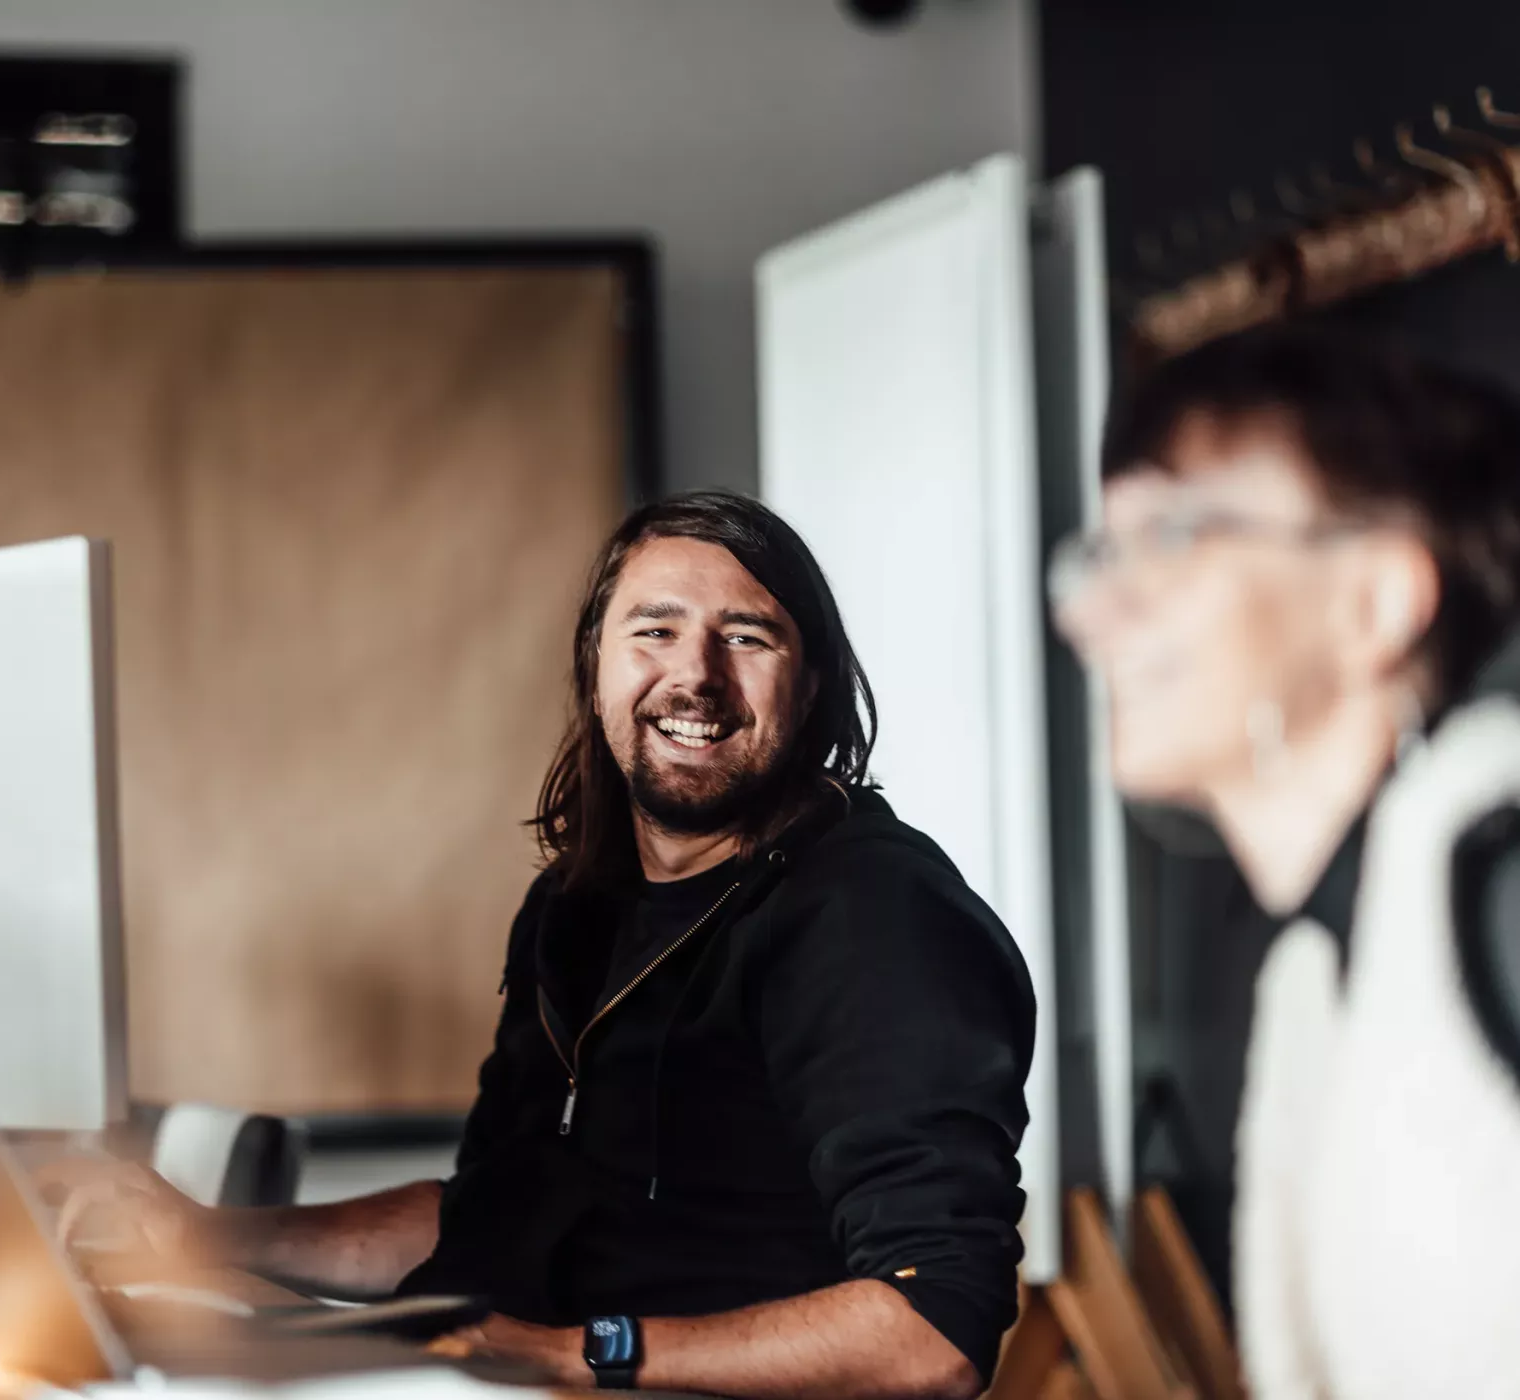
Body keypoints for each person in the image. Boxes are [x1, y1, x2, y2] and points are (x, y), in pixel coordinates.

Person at [95, 492, 1035, 1399]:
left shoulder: (876, 919)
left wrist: (570, 1354)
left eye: (746, 637)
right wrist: (210, 1237)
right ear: (596, 665)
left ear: (814, 682)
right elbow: (484, 1217)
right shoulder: (577, 903)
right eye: (654, 631)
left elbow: (933, 1330)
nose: (695, 675)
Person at [1050, 327, 1520, 1400]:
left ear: (1375, 602)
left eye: (1175, 536)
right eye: (1102, 555)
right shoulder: (1322, 968)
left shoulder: (1500, 893)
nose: (1094, 614)